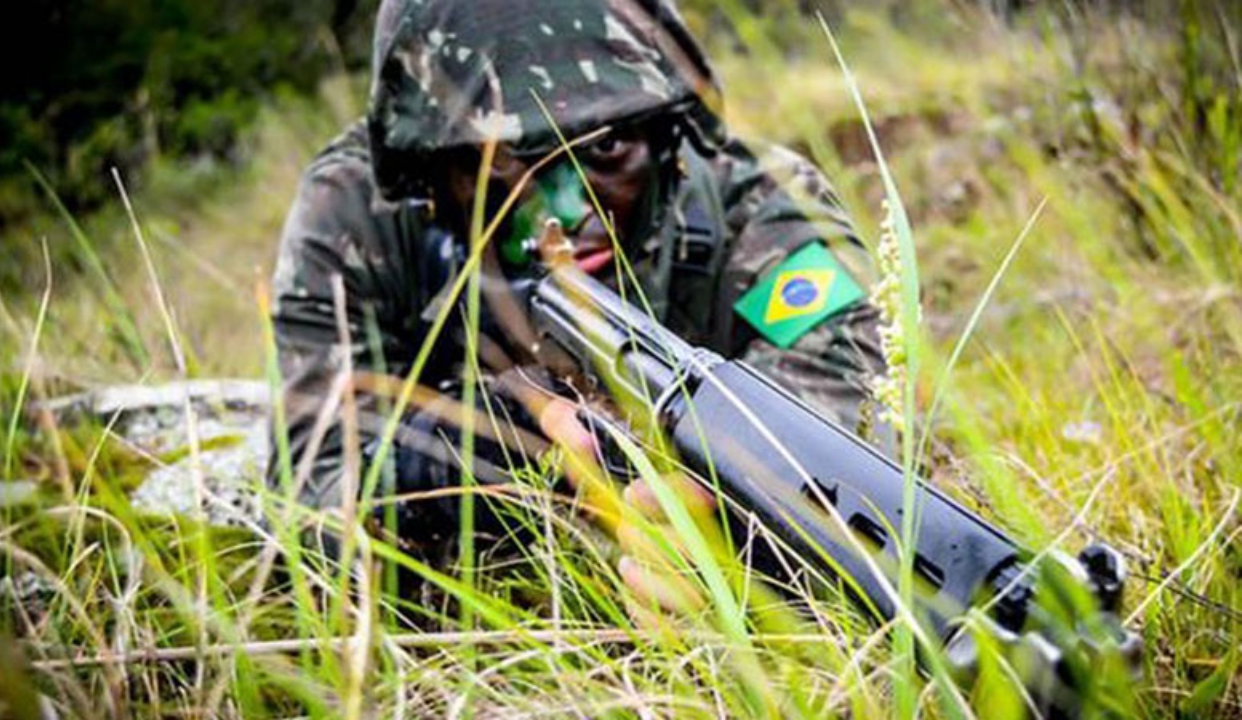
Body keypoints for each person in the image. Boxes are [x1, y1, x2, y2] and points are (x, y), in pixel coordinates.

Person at [269, 0, 888, 613]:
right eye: (502, 163)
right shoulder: (359, 214)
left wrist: (712, 514)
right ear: (430, 174)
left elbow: (857, 423)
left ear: (666, 130)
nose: (562, 214)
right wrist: (455, 454)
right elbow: (305, 505)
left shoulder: (754, 201)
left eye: (607, 147)